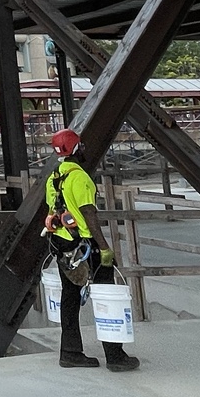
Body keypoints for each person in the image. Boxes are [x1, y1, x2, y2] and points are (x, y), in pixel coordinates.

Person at [43, 128, 138, 372]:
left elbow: (53, 211)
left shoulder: (54, 178)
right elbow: (89, 214)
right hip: (85, 245)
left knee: (70, 296)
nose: (84, 148)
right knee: (105, 292)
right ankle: (115, 356)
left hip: (62, 244)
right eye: (80, 145)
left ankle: (70, 352)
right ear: (75, 149)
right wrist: (104, 247)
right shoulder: (80, 178)